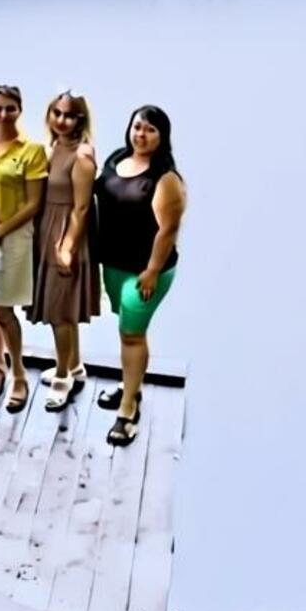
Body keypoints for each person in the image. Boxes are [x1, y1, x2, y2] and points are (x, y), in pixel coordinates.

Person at [93, 105, 186, 446]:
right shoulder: (117, 158)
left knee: (132, 334)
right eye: (137, 127)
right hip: (113, 264)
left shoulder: (165, 179)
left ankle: (128, 409)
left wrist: (152, 271)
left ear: (162, 136)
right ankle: (130, 383)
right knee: (127, 331)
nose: (141, 135)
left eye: (150, 130)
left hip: (146, 271)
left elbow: (168, 229)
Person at [0, 83, 48, 412]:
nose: (3, 114)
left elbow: (34, 204)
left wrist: (1, 230)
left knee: (2, 310)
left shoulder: (32, 150)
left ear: (19, 110)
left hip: (15, 234)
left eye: (10, 108)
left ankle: (19, 373)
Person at [29, 90, 99, 412]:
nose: (61, 120)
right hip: (48, 229)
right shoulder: (54, 146)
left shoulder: (82, 156)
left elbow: (82, 208)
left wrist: (67, 247)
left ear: (80, 120)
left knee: (60, 312)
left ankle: (61, 377)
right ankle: (75, 366)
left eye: (69, 115)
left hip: (66, 234)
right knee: (65, 309)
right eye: (57, 113)